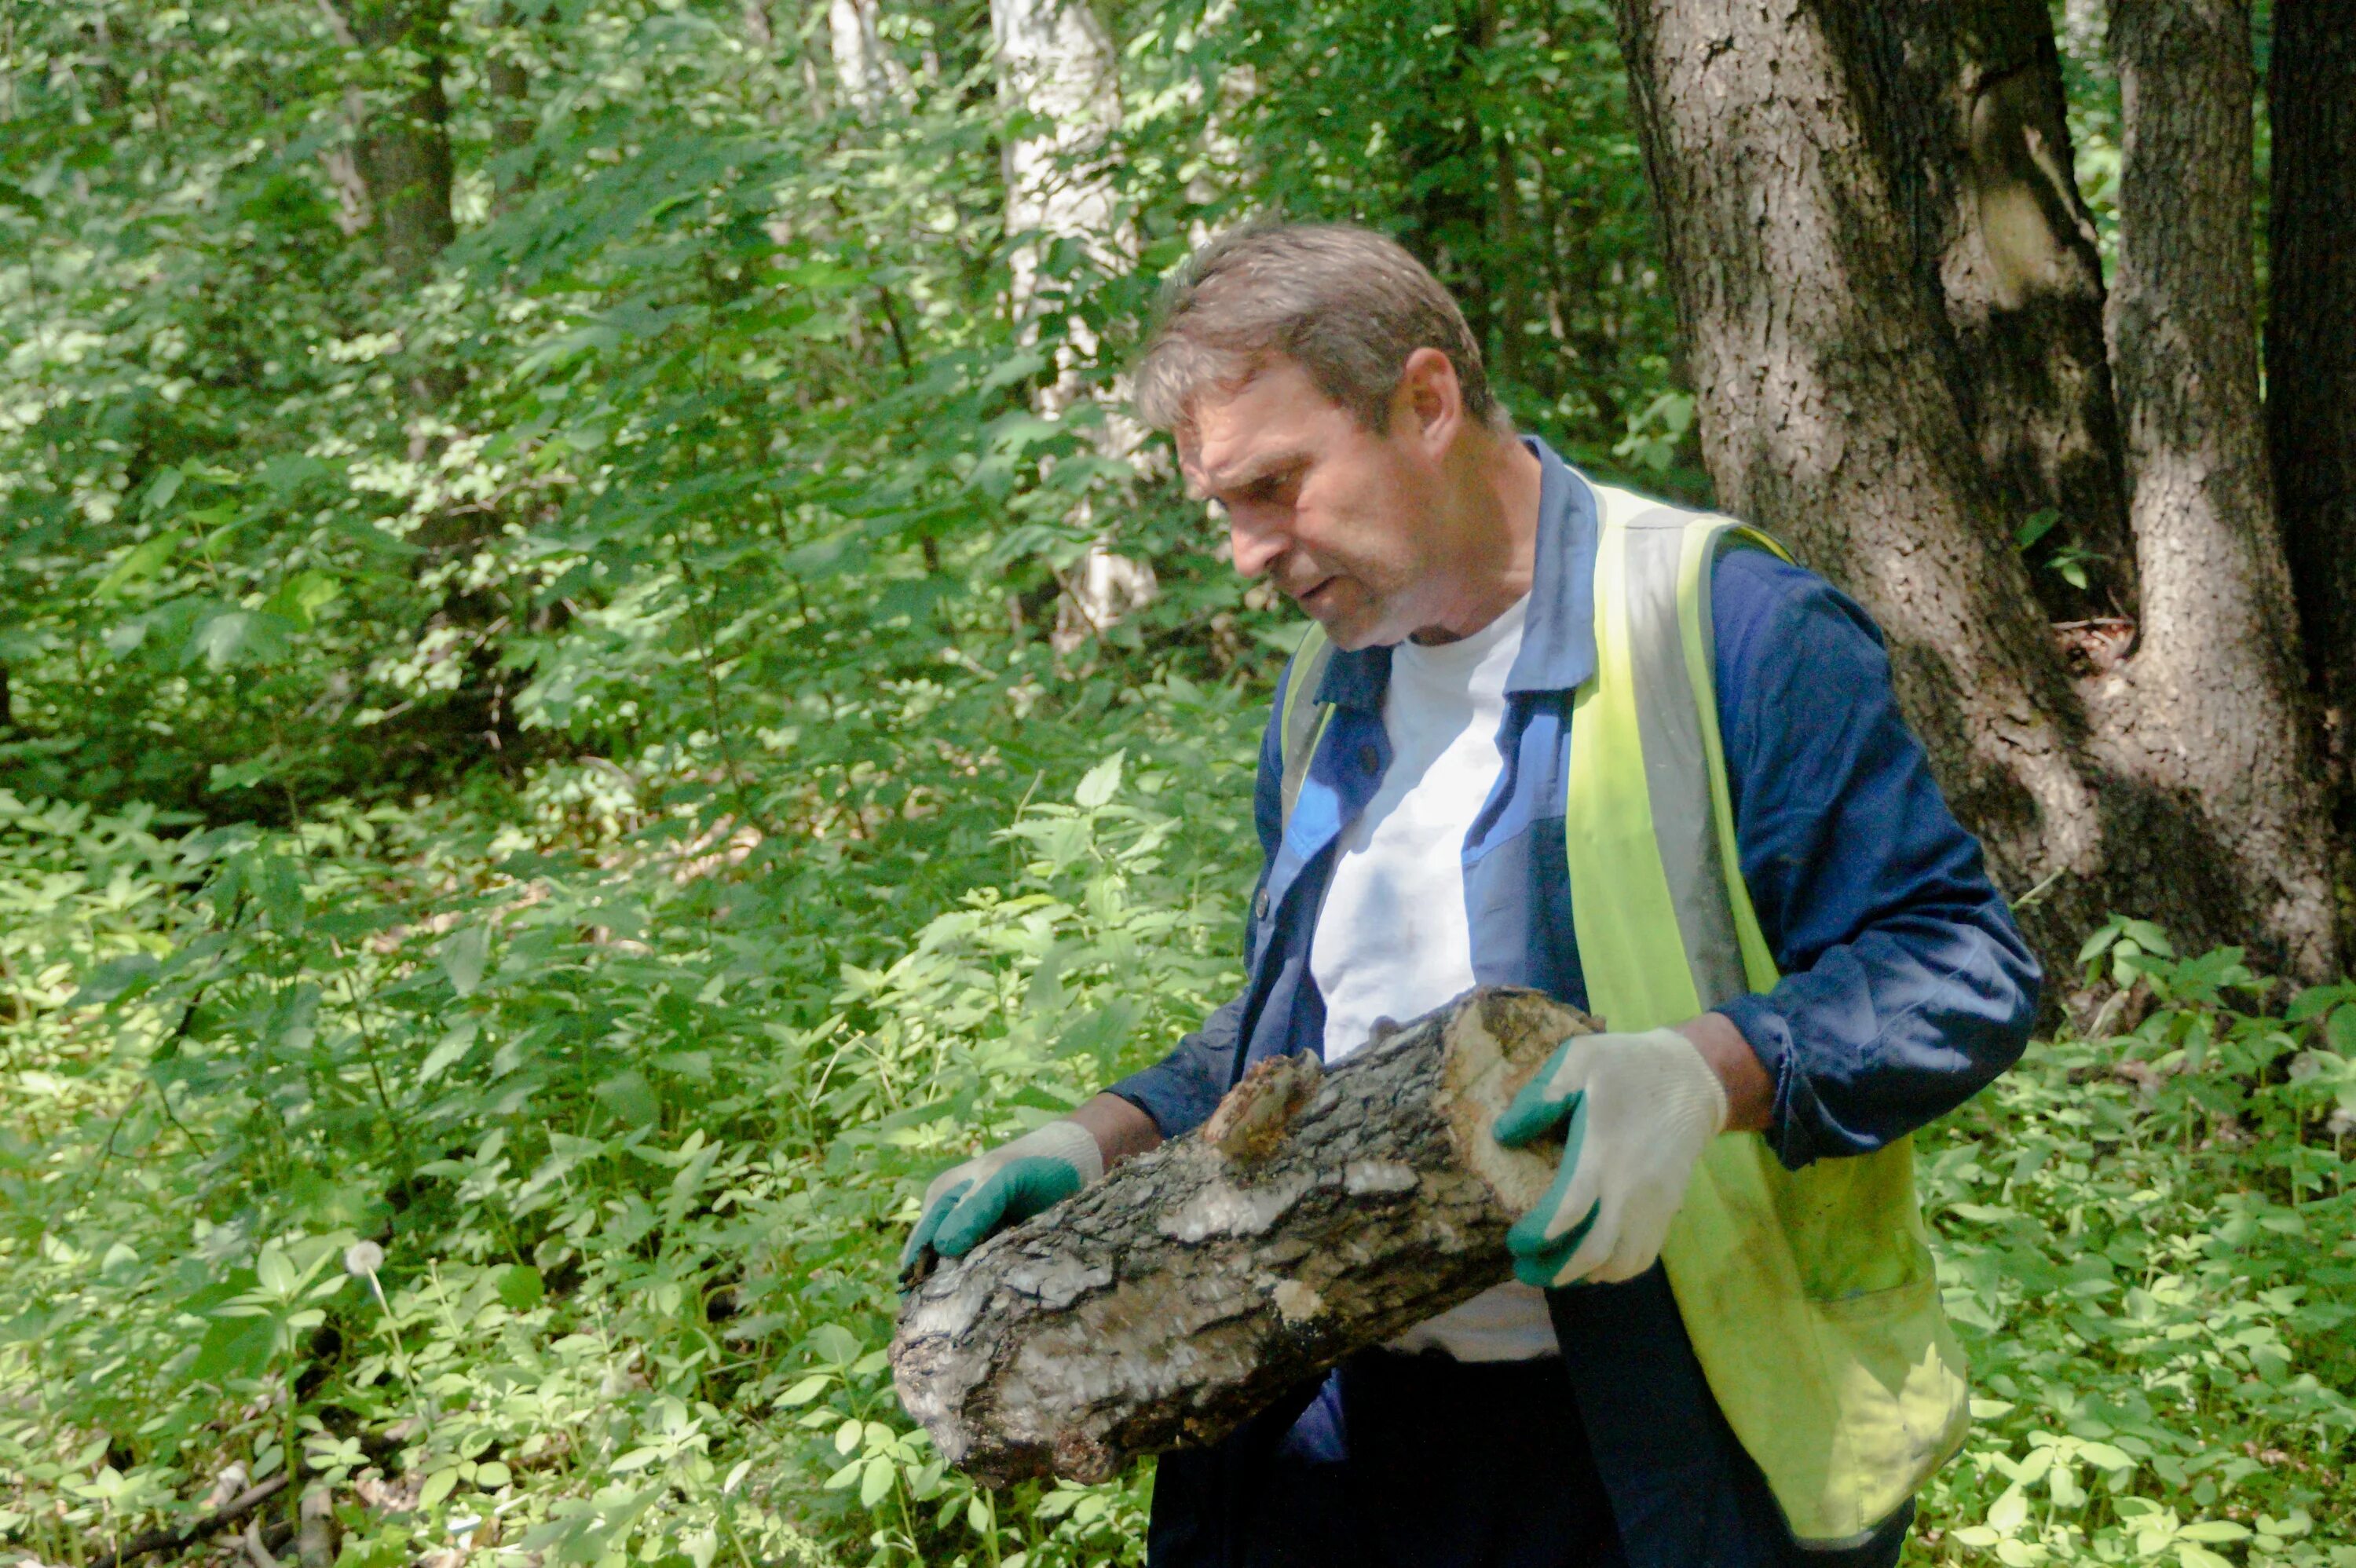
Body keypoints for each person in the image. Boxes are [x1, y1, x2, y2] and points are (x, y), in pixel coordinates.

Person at [898, 222, 2040, 1568]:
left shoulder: (1726, 627)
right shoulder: (1329, 690)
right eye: (1223, 506)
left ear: (1427, 402)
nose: (1247, 551)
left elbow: (1962, 965)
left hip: (1653, 1441)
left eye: (1275, 485)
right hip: (1337, 1413)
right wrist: (1095, 1138)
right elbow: (1300, 1036)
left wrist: (1702, 1073)